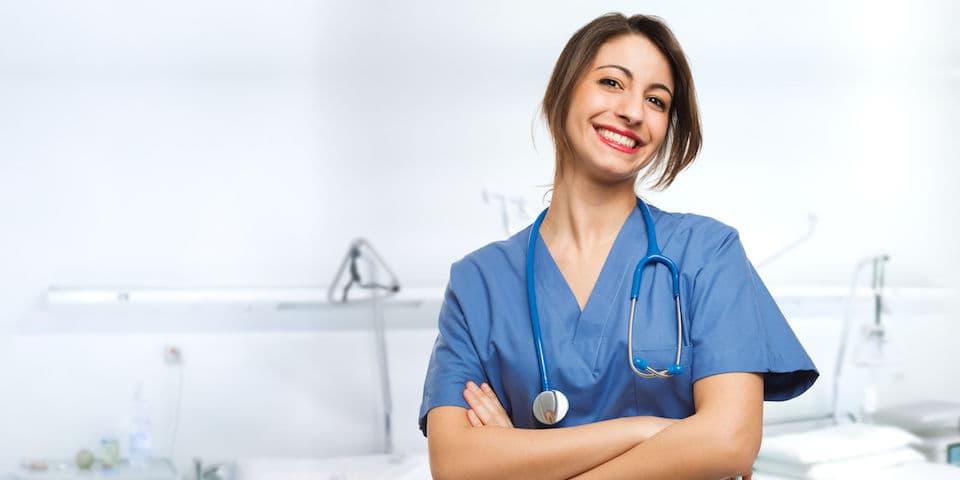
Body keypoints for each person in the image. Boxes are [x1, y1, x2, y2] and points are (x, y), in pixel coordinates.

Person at [418, 13, 818, 480]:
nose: (633, 111)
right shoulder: (479, 282)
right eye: (611, 82)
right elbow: (455, 463)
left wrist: (517, 457)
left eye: (656, 100)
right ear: (562, 92)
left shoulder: (707, 253)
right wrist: (647, 431)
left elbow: (729, 442)